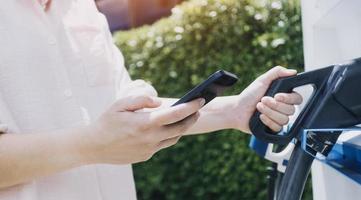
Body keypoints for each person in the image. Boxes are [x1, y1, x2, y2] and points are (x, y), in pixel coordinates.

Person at [0, 0, 302, 200]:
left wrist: (233, 111)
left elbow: (130, 114)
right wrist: (92, 143)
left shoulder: (82, 9)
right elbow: (104, 135)